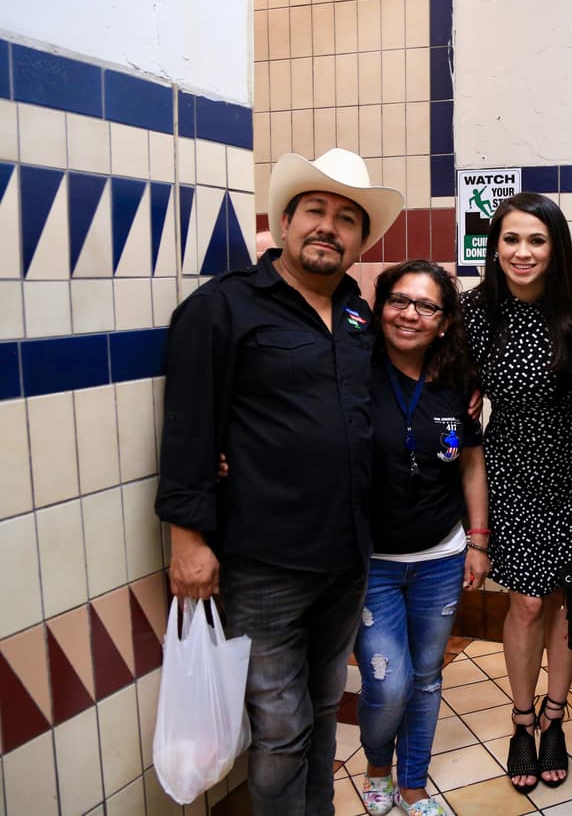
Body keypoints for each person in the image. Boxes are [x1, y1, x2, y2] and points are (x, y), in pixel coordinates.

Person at [155, 148, 404, 814]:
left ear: (359, 242)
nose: (329, 226)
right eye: (315, 211)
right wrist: (187, 538)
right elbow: (188, 428)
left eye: (346, 219)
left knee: (323, 713)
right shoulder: (223, 308)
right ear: (284, 223)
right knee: (282, 728)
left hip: (345, 558)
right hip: (262, 563)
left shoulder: (355, 314)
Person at [460, 192, 572, 793]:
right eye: (510, 239)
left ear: (555, 247)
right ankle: (520, 719)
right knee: (528, 603)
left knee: (567, 600)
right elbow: (445, 392)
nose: (522, 251)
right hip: (510, 467)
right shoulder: (475, 313)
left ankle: (556, 716)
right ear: (495, 248)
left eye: (536, 240)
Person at [355, 260, 490, 816]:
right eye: (399, 301)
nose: (410, 314)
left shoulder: (457, 382)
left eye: (426, 306)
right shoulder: (353, 371)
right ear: (379, 307)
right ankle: (376, 766)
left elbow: (471, 465)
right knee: (388, 683)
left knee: (428, 677)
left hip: (440, 556)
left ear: (443, 321)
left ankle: (412, 785)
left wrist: (478, 541)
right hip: (371, 563)